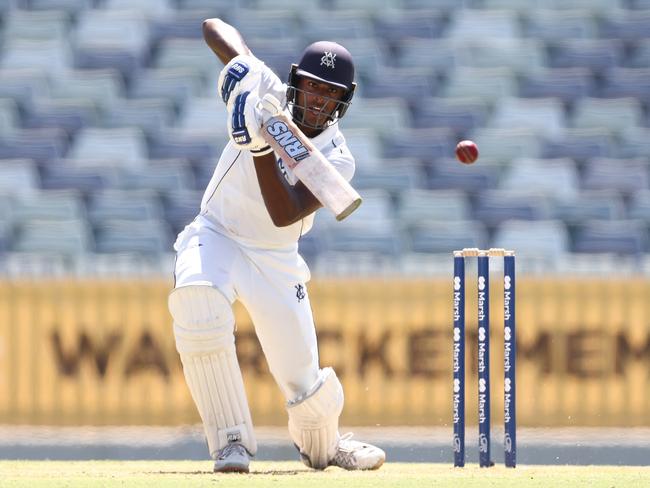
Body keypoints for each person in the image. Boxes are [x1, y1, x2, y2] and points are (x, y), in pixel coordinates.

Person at [167, 18, 385, 474]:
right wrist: (243, 67)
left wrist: (259, 147)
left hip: (276, 257)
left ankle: (327, 446)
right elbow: (213, 27)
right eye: (310, 87)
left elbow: (283, 215)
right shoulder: (265, 91)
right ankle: (231, 443)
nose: (317, 100)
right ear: (294, 82)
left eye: (329, 94)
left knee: (305, 382)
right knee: (197, 302)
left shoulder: (338, 159)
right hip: (217, 233)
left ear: (343, 102)